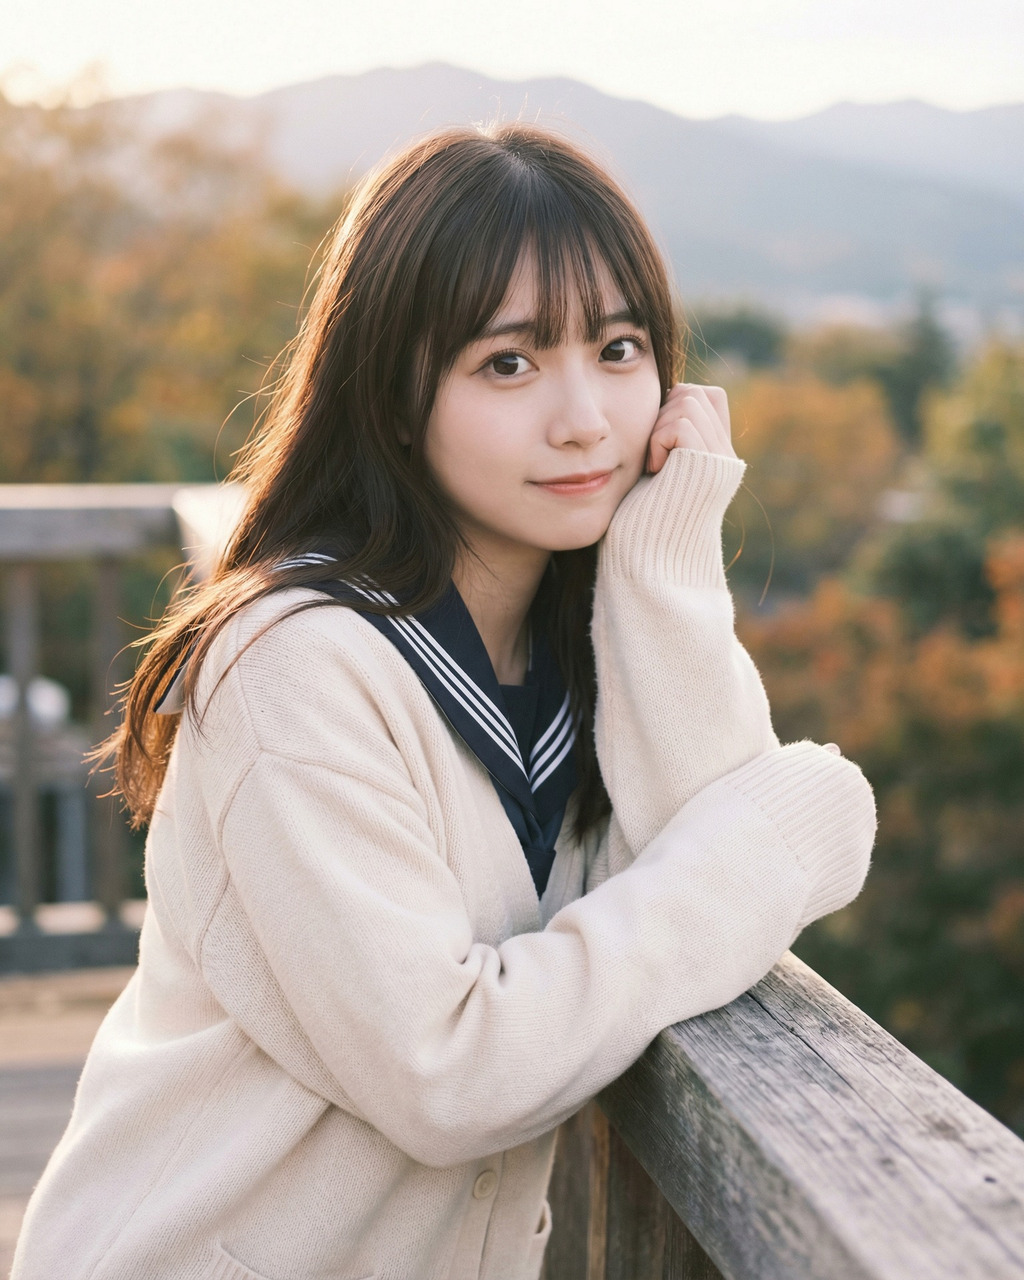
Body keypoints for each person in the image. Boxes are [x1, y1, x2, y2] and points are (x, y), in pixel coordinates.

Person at [12, 123, 875, 1280]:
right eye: (508, 363)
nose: (584, 418)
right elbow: (449, 1067)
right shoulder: (294, 664)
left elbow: (697, 829)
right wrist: (784, 829)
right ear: (395, 390)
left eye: (619, 350)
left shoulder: (570, 651)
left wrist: (666, 561)